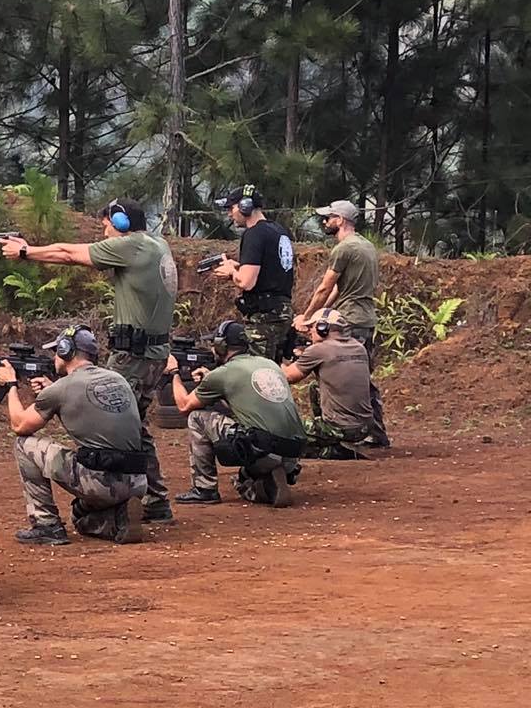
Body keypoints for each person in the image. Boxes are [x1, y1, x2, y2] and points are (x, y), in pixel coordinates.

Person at [0, 198, 177, 524]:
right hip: (153, 353)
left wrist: (26, 252)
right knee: (134, 424)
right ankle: (154, 499)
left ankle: (117, 501)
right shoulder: (158, 244)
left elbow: (68, 254)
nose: (104, 231)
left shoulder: (132, 245)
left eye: (106, 224)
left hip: (133, 356)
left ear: (121, 223)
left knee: (109, 421)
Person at [0, 326, 149, 547]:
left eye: (57, 350)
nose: (54, 356)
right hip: (137, 482)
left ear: (67, 351)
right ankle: (118, 520)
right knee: (80, 516)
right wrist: (53, 390)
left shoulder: (61, 388)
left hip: (100, 482)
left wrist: (11, 385)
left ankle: (46, 524)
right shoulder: (118, 379)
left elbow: (20, 425)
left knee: (24, 445)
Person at [167, 320, 307, 506]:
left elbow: (184, 406)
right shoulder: (269, 364)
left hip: (262, 449)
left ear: (221, 345)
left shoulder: (224, 373)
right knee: (244, 476)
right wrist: (212, 382)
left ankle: (204, 489)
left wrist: (174, 373)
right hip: (293, 452)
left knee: (197, 417)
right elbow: (239, 398)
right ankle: (271, 477)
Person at [296, 198, 389, 449]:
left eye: (329, 217)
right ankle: (376, 431)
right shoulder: (367, 246)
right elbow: (340, 287)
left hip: (350, 319)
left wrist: (307, 316)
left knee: (341, 378)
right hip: (366, 317)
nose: (325, 221)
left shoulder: (343, 249)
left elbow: (326, 286)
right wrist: (321, 313)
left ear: (341, 220)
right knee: (362, 376)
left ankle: (338, 431)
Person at [209, 184, 296, 362]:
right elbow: (271, 271)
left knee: (257, 373)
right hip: (282, 314)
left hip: (264, 318)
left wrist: (233, 271)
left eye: (231, 208)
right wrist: (241, 266)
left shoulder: (254, 234)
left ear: (245, 206)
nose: (229, 214)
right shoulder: (279, 231)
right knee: (274, 372)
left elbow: (247, 282)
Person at [284, 310, 373, 459]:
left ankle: (332, 450)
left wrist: (282, 360)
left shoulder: (319, 350)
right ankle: (331, 440)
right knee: (315, 386)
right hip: (366, 426)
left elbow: (288, 377)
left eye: (312, 327)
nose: (310, 332)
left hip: (341, 428)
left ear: (322, 328)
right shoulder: (359, 347)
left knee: (285, 430)